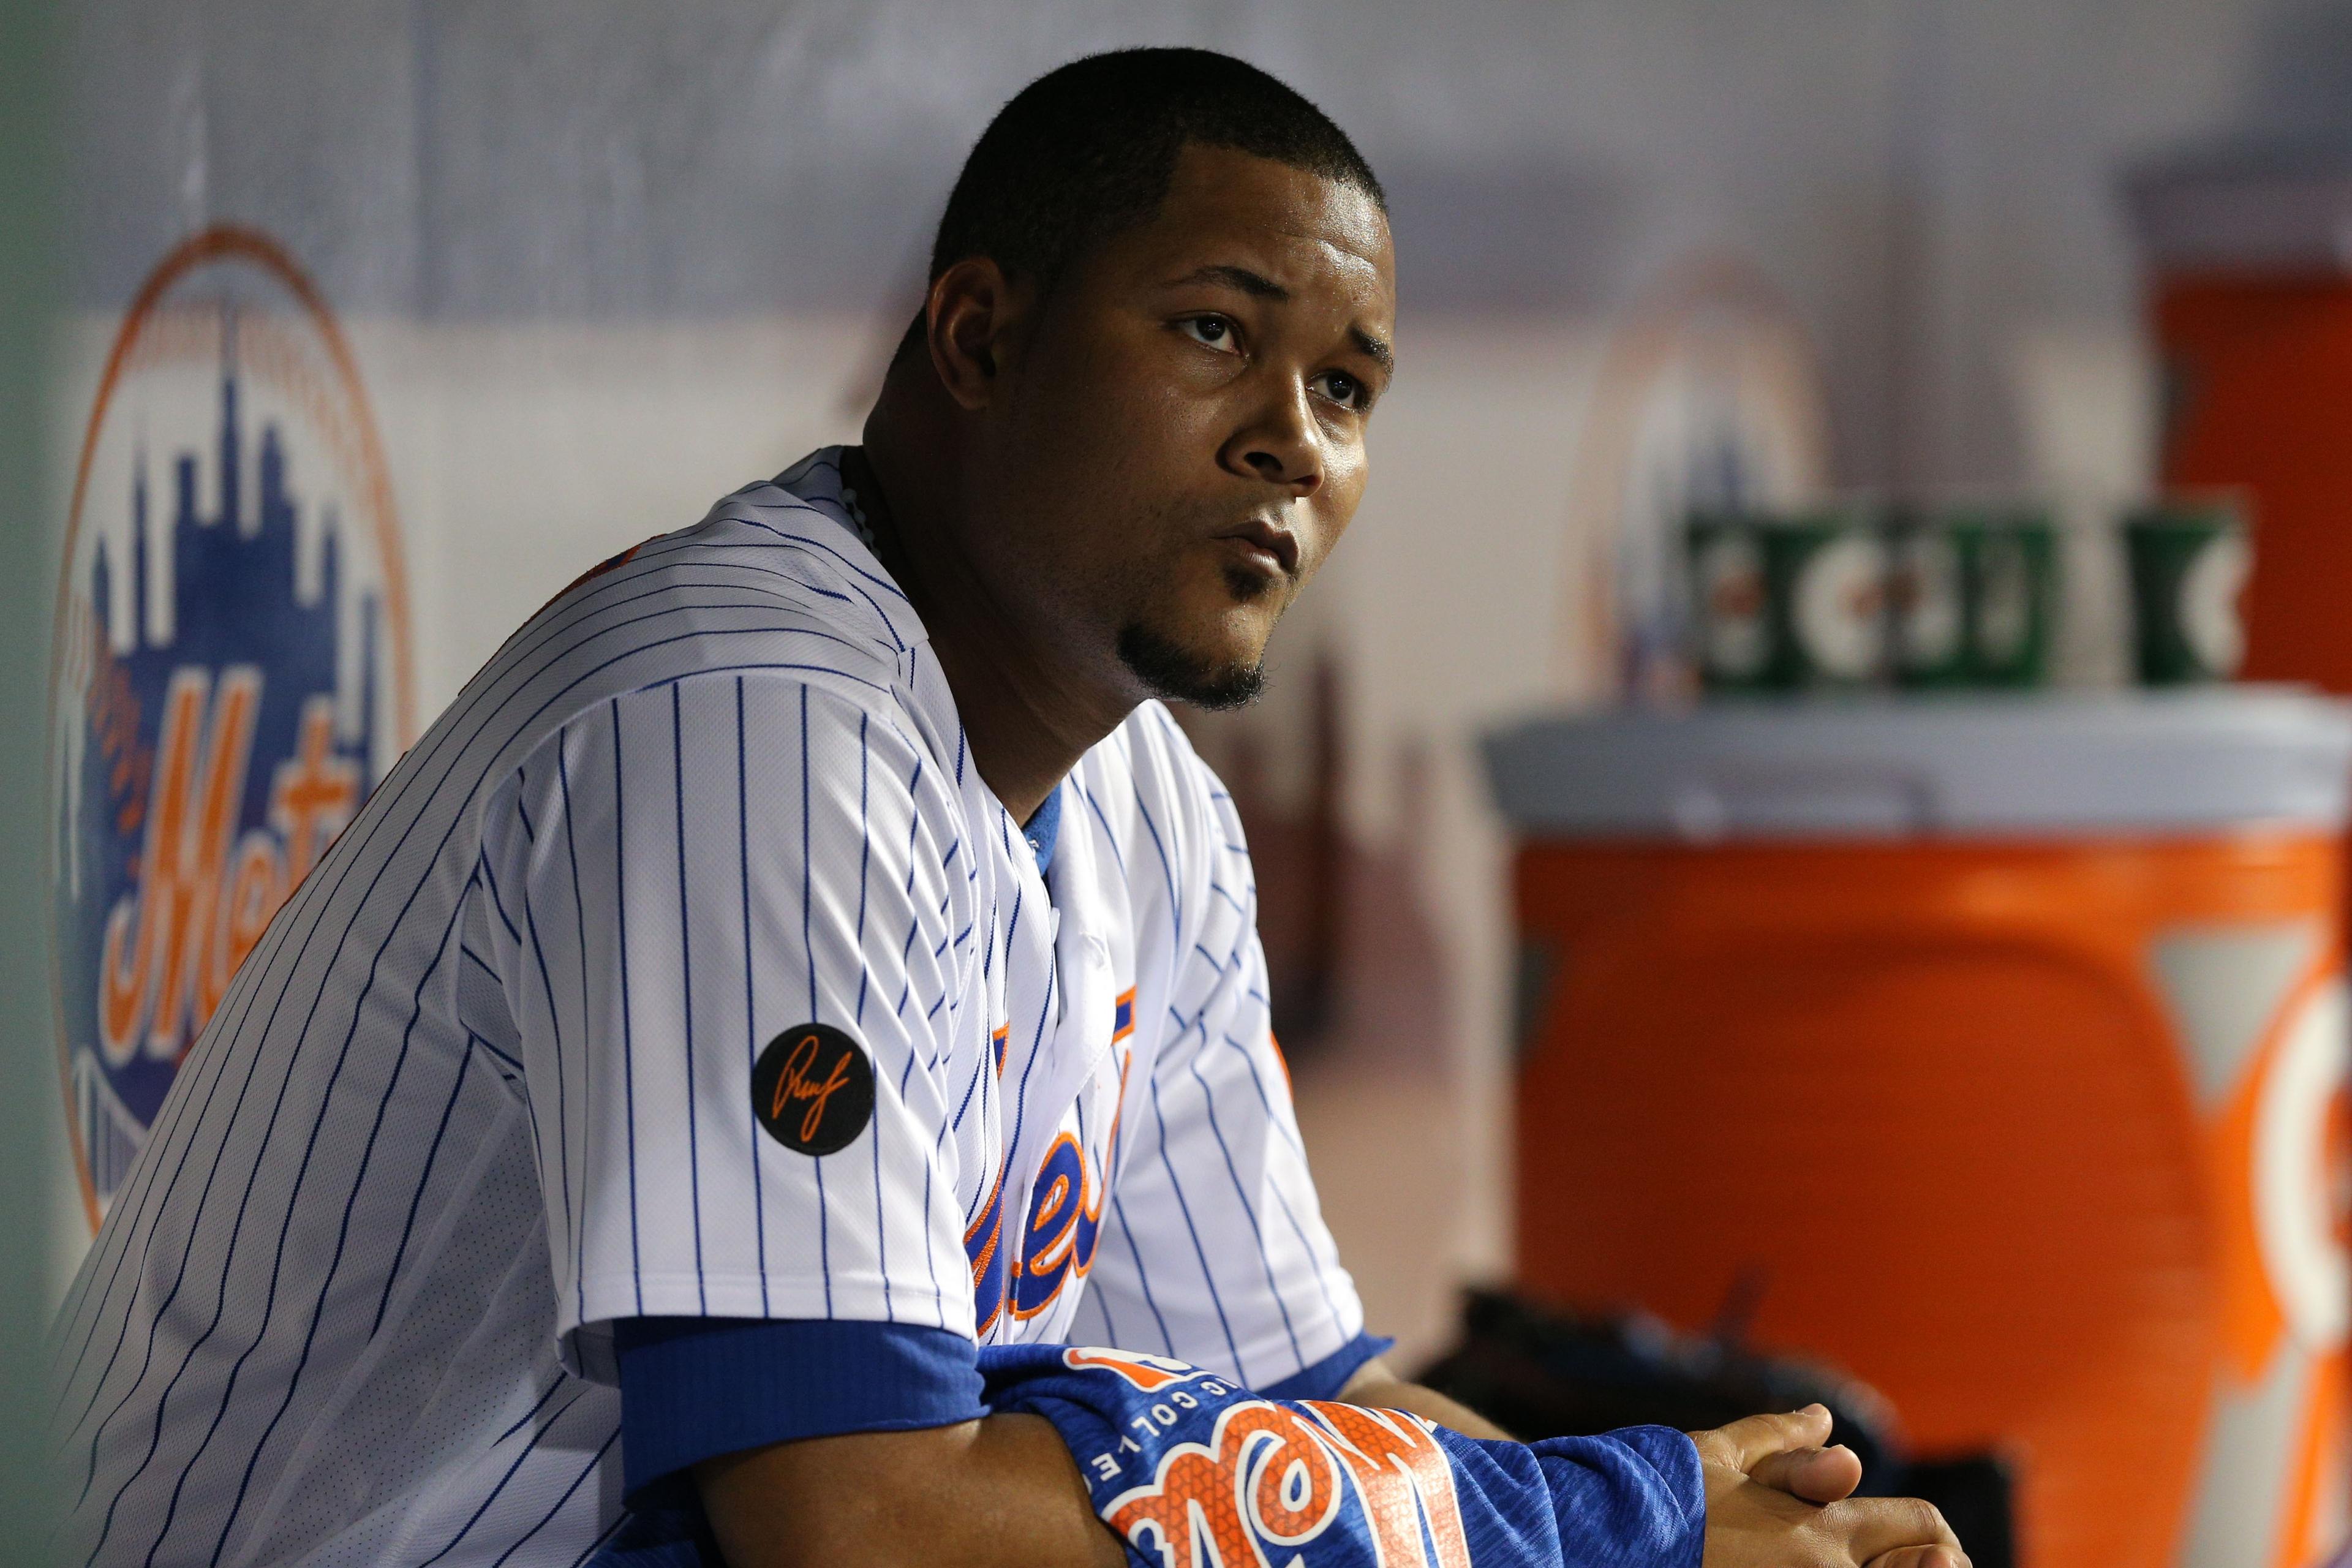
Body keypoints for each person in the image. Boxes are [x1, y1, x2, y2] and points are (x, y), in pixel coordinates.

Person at [50, 47, 1964, 1568]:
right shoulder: (757, 723)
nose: (1291, 439)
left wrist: (1732, 1528)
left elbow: (1300, 1428)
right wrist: (1588, 1536)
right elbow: (861, 1533)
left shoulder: (1149, 811)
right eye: (1219, 333)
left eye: (1350, 385)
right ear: (978, 339)